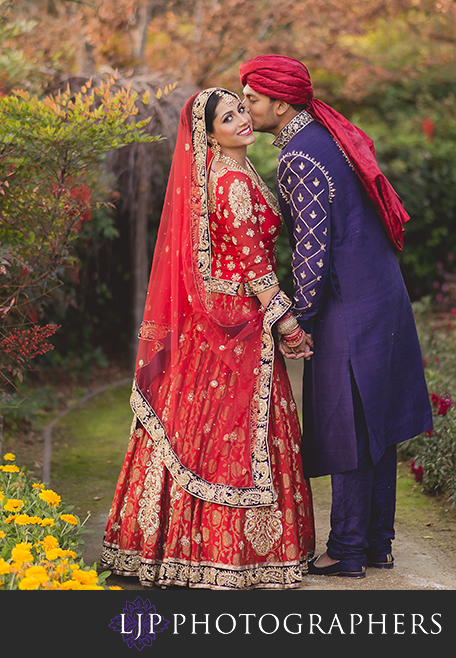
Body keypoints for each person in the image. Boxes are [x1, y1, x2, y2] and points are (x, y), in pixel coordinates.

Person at [99, 88, 315, 589]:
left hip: (225, 321)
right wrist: (288, 326)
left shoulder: (226, 172)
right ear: (208, 132)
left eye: (242, 110)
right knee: (225, 434)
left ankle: (163, 549)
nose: (242, 120)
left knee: (194, 425)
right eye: (228, 117)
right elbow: (257, 269)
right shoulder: (232, 179)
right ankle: (226, 556)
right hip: (236, 324)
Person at [239, 55, 432, 579]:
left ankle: (346, 549)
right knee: (378, 425)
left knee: (348, 425)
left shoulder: (299, 157)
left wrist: (297, 319)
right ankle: (376, 543)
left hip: (350, 306)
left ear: (280, 103)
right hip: (383, 294)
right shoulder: (329, 137)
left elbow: (311, 249)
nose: (246, 107)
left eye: (253, 99)